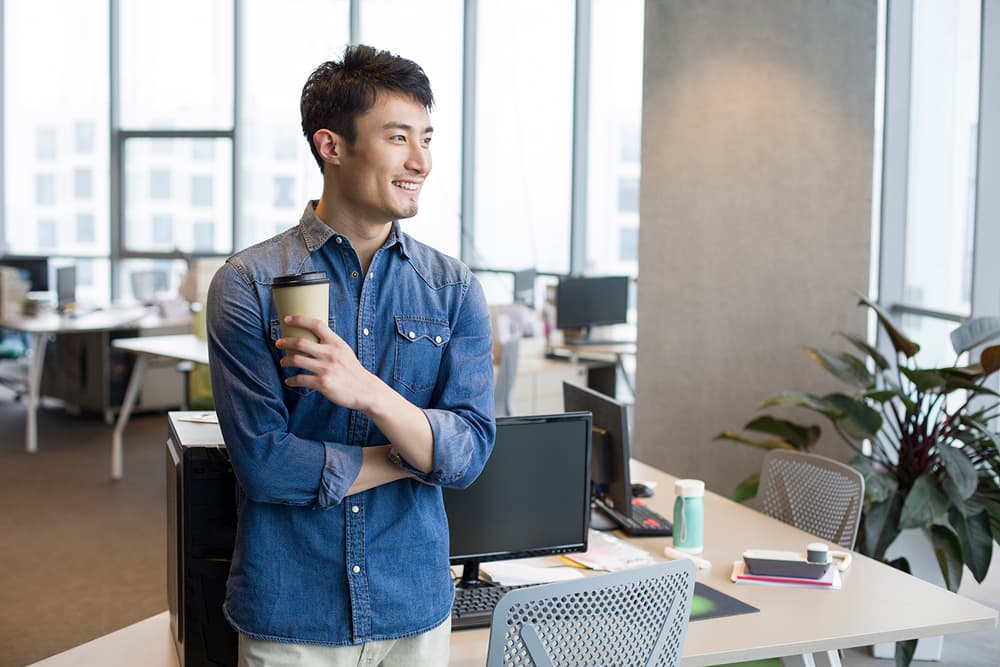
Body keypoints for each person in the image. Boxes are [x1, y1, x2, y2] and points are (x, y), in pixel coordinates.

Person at [206, 44, 496, 666]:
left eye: (426, 138)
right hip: (293, 613)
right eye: (398, 138)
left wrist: (369, 392)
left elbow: (469, 454)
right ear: (330, 146)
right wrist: (415, 453)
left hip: (415, 608)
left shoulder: (453, 288)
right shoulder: (249, 283)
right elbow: (266, 465)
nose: (420, 161)